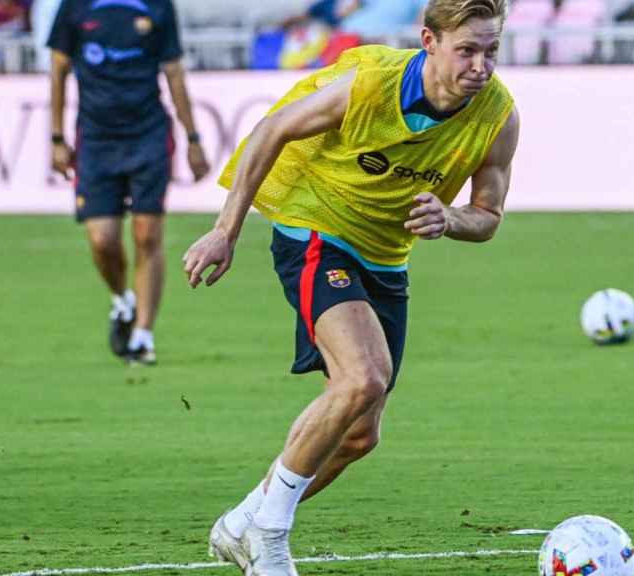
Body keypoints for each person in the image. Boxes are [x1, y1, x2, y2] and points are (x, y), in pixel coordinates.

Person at [182, 0, 518, 573]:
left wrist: (450, 218)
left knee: (360, 435)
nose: (481, 66)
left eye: (491, 51)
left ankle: (241, 522)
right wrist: (225, 231)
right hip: (316, 228)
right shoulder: (371, 85)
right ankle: (269, 535)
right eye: (467, 50)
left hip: (386, 257)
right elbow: (273, 128)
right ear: (429, 41)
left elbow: (487, 216)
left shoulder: (497, 116)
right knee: (364, 377)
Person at [48, 0, 210, 365]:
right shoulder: (75, 6)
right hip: (96, 138)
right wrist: (57, 138)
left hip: (148, 135)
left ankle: (142, 335)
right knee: (103, 240)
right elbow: (58, 68)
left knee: (147, 236)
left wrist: (193, 139)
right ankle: (123, 299)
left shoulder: (158, 6)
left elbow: (174, 72)